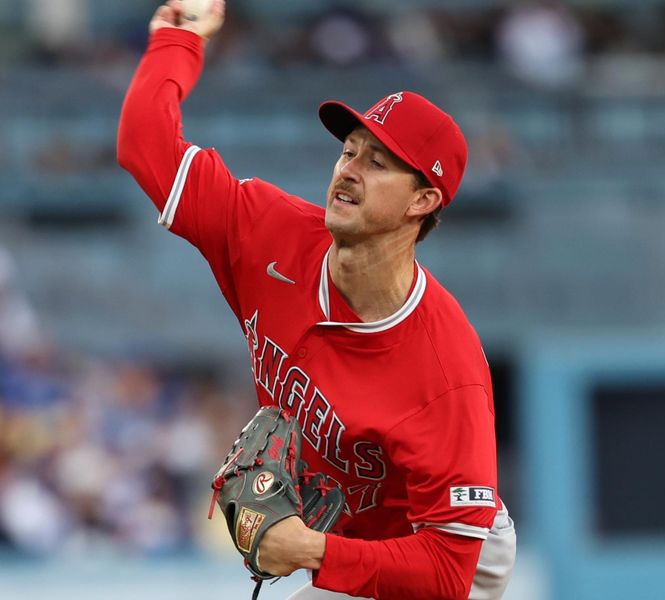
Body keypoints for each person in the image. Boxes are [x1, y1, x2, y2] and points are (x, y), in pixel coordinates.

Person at [117, 1, 516, 598]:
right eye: (348, 150)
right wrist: (176, 41)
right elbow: (144, 146)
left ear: (423, 202)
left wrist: (308, 549)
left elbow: (445, 571)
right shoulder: (268, 231)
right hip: (353, 540)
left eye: (377, 162)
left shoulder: (445, 370)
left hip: (441, 551)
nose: (349, 170)